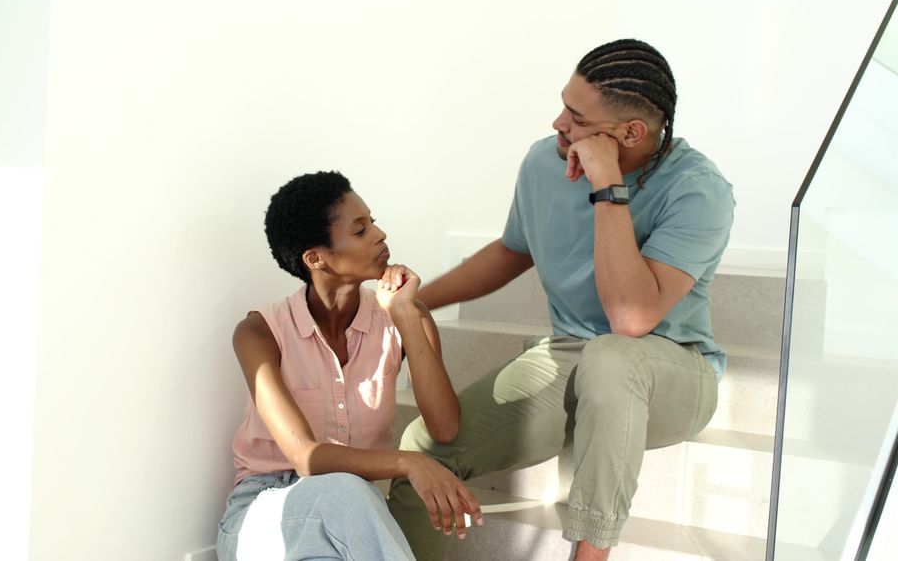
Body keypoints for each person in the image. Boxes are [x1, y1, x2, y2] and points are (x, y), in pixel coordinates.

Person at [387, 39, 735, 561]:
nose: (557, 123)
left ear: (630, 134)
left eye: (576, 116)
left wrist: (608, 187)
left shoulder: (698, 190)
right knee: (422, 454)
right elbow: (510, 252)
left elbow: (631, 318)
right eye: (563, 105)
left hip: (672, 370)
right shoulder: (542, 163)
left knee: (612, 356)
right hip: (571, 355)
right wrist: (414, 304)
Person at [216, 171, 485, 561]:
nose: (380, 234)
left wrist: (407, 317)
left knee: (345, 504)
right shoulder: (259, 333)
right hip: (265, 516)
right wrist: (408, 462)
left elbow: (444, 427)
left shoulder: (404, 318)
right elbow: (307, 457)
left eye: (372, 221)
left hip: (350, 525)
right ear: (316, 258)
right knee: (343, 489)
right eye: (360, 230)